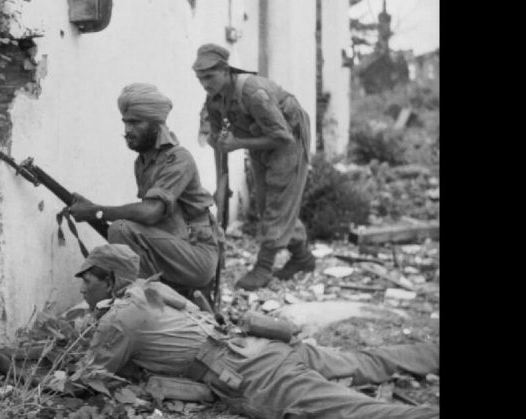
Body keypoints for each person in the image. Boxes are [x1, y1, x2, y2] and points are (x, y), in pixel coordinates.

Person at [75, 244, 440, 419]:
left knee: (351, 411)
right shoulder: (150, 288)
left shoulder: (119, 319)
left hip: (250, 372)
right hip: (260, 345)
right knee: (365, 362)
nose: (81, 289)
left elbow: (88, 378)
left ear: (110, 281)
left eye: (88, 281)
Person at [68, 83, 221, 295]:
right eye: (126, 123)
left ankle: (148, 300)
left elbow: (151, 212)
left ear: (156, 125)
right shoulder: (142, 162)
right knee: (121, 238)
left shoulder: (178, 159)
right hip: (174, 246)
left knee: (121, 229)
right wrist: (93, 210)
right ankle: (151, 298)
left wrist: (95, 211)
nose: (128, 130)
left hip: (197, 255)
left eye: (135, 123)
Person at [194, 43, 316, 290]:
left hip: (288, 136)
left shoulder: (253, 93)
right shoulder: (214, 98)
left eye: (209, 76)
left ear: (226, 70)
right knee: (265, 203)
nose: (205, 83)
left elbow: (284, 137)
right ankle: (302, 258)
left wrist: (238, 143)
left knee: (278, 199)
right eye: (200, 78)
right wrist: (221, 185)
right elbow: (218, 140)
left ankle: (263, 267)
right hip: (262, 138)